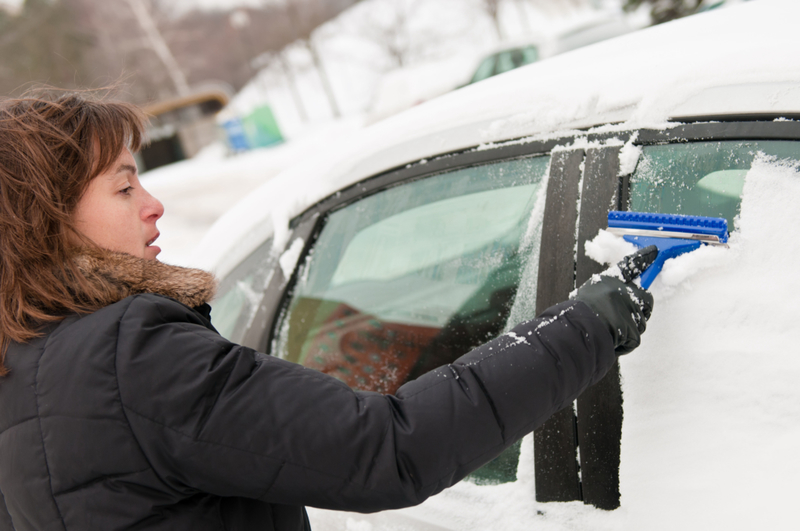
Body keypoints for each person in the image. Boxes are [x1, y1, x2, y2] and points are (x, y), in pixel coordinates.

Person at [0, 93, 655, 531]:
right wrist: (587, 324)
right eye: (123, 184)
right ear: (47, 219)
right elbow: (393, 448)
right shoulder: (134, 356)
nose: (153, 204)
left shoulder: (23, 366)